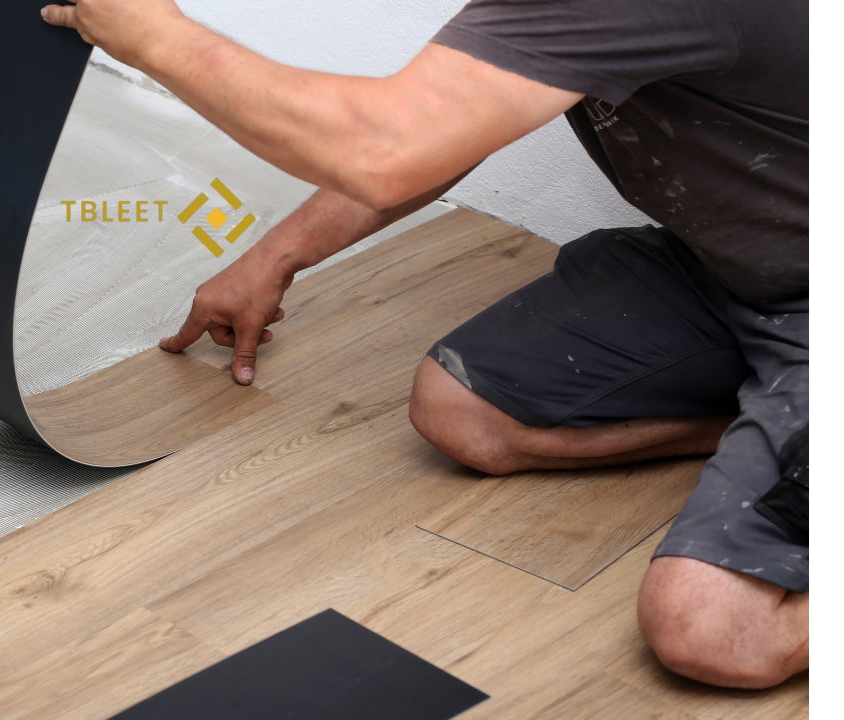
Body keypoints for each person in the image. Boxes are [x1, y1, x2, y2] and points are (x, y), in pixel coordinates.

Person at [42, 0, 808, 688]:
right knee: (462, 414)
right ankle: (765, 421)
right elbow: (454, 126)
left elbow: (390, 146)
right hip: (737, 272)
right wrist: (276, 257)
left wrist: (155, 37)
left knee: (709, 627)